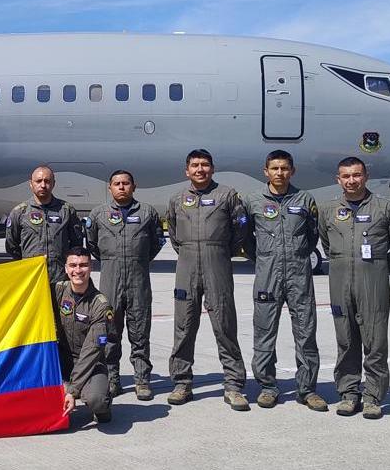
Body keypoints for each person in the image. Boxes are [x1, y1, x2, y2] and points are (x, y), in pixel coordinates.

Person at [319, 156, 390, 420]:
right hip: (340, 282)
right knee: (346, 339)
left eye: (356, 175)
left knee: (375, 341)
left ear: (365, 176)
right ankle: (348, 394)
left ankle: (372, 397)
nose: (351, 180)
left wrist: (380, 266)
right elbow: (326, 243)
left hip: (374, 282)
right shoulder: (328, 210)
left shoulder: (385, 207)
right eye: (346, 176)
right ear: (338, 179)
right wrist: (344, 262)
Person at [164, 149, 251, 411]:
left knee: (224, 324)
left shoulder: (227, 195)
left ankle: (234, 385)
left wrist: (221, 251)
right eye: (194, 165)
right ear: (186, 170)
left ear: (212, 169)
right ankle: (182, 382)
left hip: (218, 264)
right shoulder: (177, 199)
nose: (199, 169)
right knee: (184, 326)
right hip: (186, 264)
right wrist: (191, 251)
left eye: (204, 165)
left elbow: (241, 229)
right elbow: (175, 236)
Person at [243, 150, 328, 411]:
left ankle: (307, 389)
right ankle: (268, 387)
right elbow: (246, 238)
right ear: (265, 171)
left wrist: (296, 255)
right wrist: (265, 259)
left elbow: (312, 235)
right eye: (275, 168)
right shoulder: (253, 201)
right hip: (267, 277)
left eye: (284, 168)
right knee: (264, 334)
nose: (279, 173)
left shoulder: (305, 199)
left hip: (299, 276)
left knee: (306, 334)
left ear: (292, 171)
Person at [85, 170, 165, 400]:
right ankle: (112, 379)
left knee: (140, 332)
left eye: (126, 183)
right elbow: (92, 243)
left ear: (134, 186)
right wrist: (112, 260)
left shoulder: (147, 213)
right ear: (109, 187)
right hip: (110, 280)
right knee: (110, 332)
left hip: (139, 281)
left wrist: (138, 259)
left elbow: (157, 241)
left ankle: (142, 380)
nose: (122, 187)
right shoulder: (99, 214)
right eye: (117, 184)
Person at [55, 247, 112, 424]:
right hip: (62, 362)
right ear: (65, 268)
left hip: (90, 362)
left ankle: (103, 404)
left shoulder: (100, 305)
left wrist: (71, 390)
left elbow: (91, 351)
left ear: (91, 267)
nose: (77, 270)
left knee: (97, 400)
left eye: (83, 265)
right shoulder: (57, 290)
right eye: (73, 265)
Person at [5, 165, 82, 284]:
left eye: (47, 181)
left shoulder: (66, 210)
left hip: (60, 278)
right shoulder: (20, 212)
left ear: (53, 183)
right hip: (31, 278)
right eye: (38, 181)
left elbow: (76, 243)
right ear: (31, 184)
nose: (43, 185)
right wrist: (27, 262)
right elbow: (12, 245)